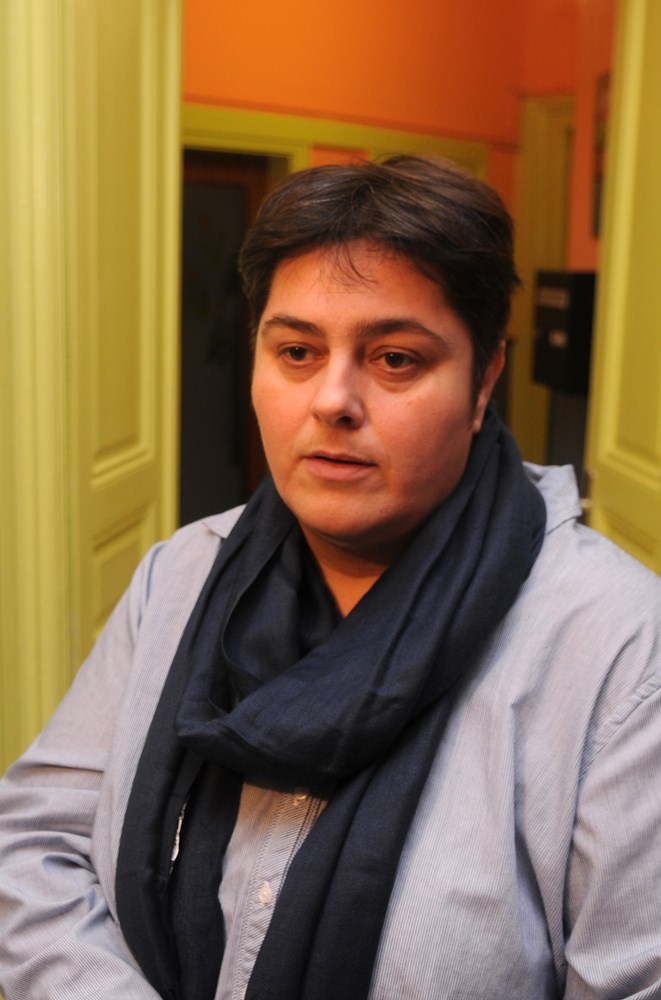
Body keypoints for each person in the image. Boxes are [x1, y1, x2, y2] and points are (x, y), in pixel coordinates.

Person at [1, 156, 660, 1000]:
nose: (331, 400)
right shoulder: (182, 575)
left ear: (483, 379)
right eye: (296, 351)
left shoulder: (616, 652)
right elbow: (34, 844)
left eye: (395, 359)